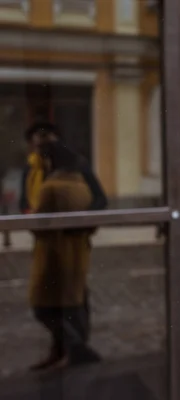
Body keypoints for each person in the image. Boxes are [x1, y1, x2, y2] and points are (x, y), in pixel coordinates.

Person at [29, 141, 101, 370]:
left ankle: (77, 348)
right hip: (77, 253)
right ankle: (64, 351)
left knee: (44, 306)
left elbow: (38, 224)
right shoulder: (80, 185)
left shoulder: (51, 187)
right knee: (71, 303)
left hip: (53, 254)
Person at [19, 122, 107, 214]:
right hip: (43, 225)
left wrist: (83, 218)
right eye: (40, 147)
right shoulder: (30, 169)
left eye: (49, 145)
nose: (44, 151)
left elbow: (100, 199)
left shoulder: (76, 164)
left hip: (74, 224)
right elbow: (24, 203)